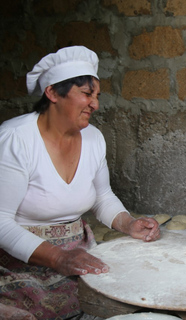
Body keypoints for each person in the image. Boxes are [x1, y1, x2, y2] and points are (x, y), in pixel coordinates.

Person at [0, 46, 161, 319]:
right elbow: (1, 222)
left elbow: (102, 197)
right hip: (19, 264)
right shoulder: (16, 139)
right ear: (52, 93)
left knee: (136, 295)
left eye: (97, 96)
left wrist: (128, 223)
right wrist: (59, 258)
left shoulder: (94, 138)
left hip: (79, 254)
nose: (95, 104)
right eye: (87, 94)